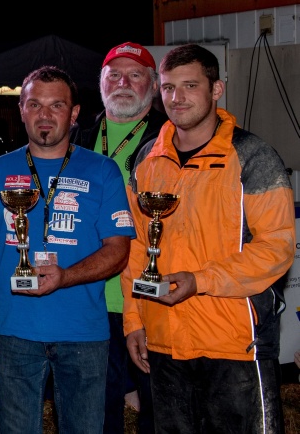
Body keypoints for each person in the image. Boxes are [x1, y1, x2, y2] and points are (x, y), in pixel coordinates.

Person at [122, 43, 295, 433]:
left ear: (216, 89)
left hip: (235, 344)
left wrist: (200, 281)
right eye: (168, 88)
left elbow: (277, 248)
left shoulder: (252, 156)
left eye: (190, 86)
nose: (177, 98)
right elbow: (137, 247)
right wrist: (133, 321)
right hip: (164, 341)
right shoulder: (148, 159)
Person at [0, 66, 134, 434]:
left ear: (74, 114)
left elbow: (119, 250)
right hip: (12, 332)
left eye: (57, 105)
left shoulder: (103, 171)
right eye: (35, 104)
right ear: (21, 110)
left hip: (83, 334)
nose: (45, 114)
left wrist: (66, 276)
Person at [72, 42, 164, 434]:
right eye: (114, 75)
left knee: (159, 409)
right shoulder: (77, 137)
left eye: (135, 75)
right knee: (96, 411)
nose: (123, 83)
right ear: (101, 84)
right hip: (91, 298)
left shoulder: (171, 138)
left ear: (153, 86)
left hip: (150, 298)